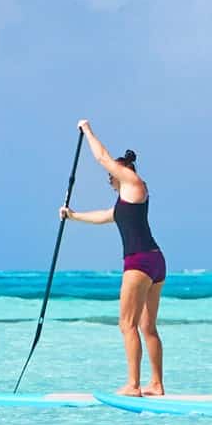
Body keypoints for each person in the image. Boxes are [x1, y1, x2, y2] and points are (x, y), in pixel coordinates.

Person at [59, 119, 167, 397]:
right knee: (146, 326)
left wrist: (87, 131)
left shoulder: (134, 183)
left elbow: (101, 157)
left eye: (111, 175)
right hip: (154, 260)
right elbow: (103, 217)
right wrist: (73, 216)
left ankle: (133, 385)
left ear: (122, 172)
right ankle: (156, 384)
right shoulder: (124, 202)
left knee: (126, 324)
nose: (108, 179)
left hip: (139, 262)